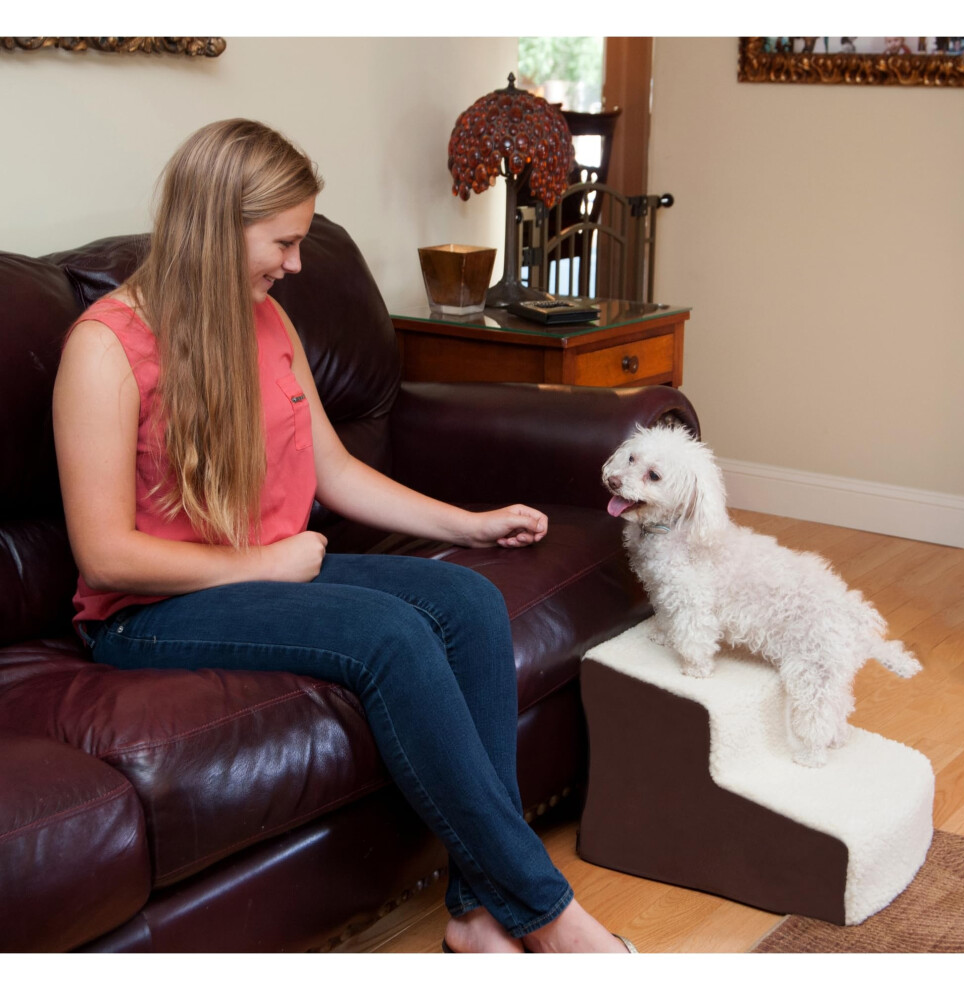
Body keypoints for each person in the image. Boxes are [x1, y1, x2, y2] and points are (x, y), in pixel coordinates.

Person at [52, 118, 635, 954]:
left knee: (469, 601)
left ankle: (477, 915)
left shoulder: (266, 320)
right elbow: (104, 555)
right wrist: (268, 561)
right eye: (284, 242)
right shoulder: (104, 349)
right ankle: (549, 915)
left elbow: (334, 469)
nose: (296, 264)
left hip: (274, 573)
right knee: (391, 636)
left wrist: (469, 523)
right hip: (148, 609)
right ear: (217, 226)